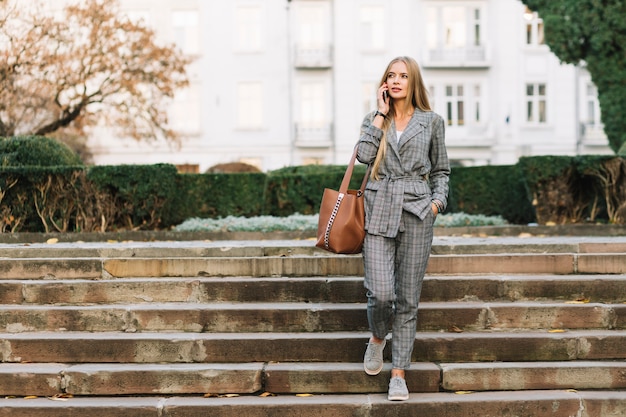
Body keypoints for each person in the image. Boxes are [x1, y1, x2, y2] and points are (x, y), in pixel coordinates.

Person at [356, 56, 450, 401]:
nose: (396, 81)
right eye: (391, 76)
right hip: (379, 209)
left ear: (414, 83)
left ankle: (398, 374)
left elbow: (441, 170)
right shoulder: (373, 120)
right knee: (380, 293)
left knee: (408, 299)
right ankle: (378, 336)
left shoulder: (432, 121)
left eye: (403, 76)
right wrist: (379, 115)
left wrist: (437, 203)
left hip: (417, 210)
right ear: (384, 83)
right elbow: (364, 158)